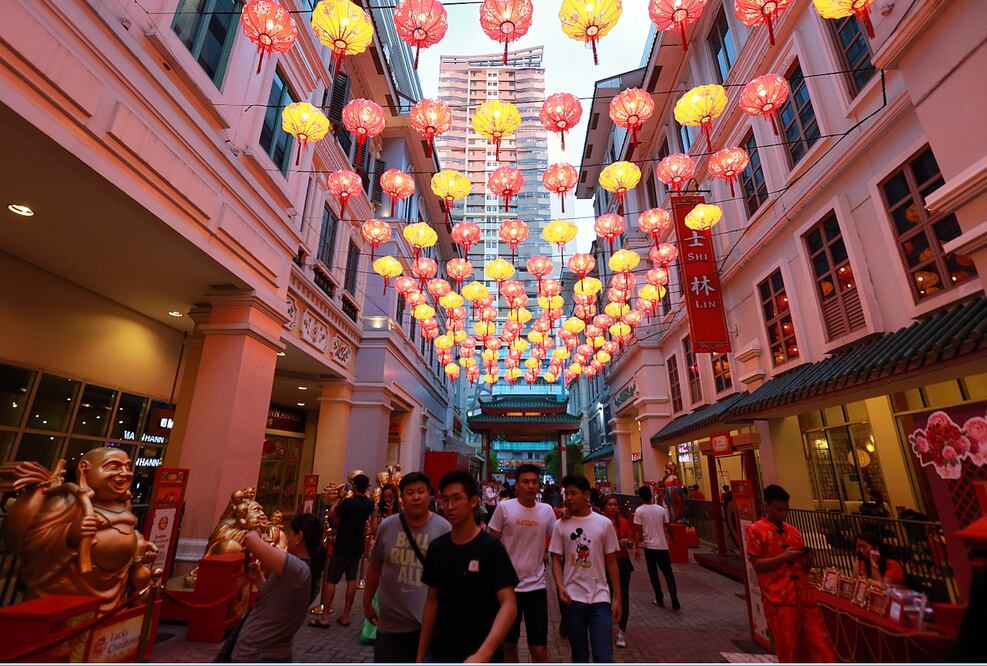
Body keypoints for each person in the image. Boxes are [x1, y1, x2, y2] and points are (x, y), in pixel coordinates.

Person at [418, 471, 518, 663]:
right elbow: (432, 601)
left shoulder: (491, 548)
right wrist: (420, 656)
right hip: (442, 653)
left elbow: (509, 604)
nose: (449, 506)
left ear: (473, 501)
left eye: (457, 499)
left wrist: (484, 653)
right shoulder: (437, 548)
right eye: (445, 500)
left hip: (482, 656)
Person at [363, 472, 451, 663]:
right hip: (390, 625)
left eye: (421, 491)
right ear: (401, 497)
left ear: (429, 494)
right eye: (410, 493)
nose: (416, 497)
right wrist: (367, 601)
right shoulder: (387, 527)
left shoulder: (444, 529)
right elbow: (375, 565)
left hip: (427, 627)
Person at [747, 484, 835, 663]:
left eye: (786, 509)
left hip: (805, 598)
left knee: (822, 646)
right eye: (778, 509)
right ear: (767, 506)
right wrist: (783, 557)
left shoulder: (793, 532)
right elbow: (757, 564)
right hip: (779, 600)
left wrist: (808, 559)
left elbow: (804, 568)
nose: (783, 514)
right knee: (788, 650)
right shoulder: (756, 531)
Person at [230, 514, 323, 662]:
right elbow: (277, 602)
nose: (288, 539)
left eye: (290, 535)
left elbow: (249, 539)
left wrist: (257, 530)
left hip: (257, 654)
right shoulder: (303, 571)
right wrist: (259, 577)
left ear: (299, 537)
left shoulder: (297, 569)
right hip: (271, 651)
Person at [489, 464, 557, 663]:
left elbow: (558, 536)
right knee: (509, 645)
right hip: (507, 589)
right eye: (526, 482)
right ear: (516, 485)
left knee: (539, 649)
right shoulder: (504, 508)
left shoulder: (546, 511)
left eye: (534, 482)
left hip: (536, 587)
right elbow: (492, 544)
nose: (531, 486)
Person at [550, 474, 621, 663]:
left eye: (573, 493)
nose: (569, 498)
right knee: (579, 654)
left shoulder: (604, 524)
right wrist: (560, 586)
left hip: (600, 597)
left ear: (586, 494)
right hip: (573, 598)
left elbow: (612, 561)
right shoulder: (560, 525)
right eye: (566, 493)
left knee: (603, 655)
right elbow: (555, 558)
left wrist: (618, 598)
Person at [312, 473, 375, 628]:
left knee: (332, 579)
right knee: (351, 579)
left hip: (343, 544)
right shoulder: (369, 503)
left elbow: (332, 514)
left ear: (354, 486)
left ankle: (325, 616)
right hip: (358, 544)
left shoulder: (348, 503)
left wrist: (339, 498)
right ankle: (346, 615)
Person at [633, 484, 680, 611]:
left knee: (653, 574)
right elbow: (668, 526)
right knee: (668, 572)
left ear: (640, 497)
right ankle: (674, 598)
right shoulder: (660, 509)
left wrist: (636, 547)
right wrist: (672, 538)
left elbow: (638, 531)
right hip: (662, 546)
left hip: (649, 547)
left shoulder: (639, 511)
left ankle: (659, 598)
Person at [601, 495, 634, 648]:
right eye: (610, 504)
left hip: (622, 563)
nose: (613, 507)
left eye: (615, 505)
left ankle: (621, 629)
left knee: (623, 596)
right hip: (604, 564)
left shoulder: (624, 522)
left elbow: (631, 542)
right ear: (604, 507)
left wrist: (628, 542)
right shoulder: (600, 523)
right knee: (605, 596)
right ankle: (605, 626)